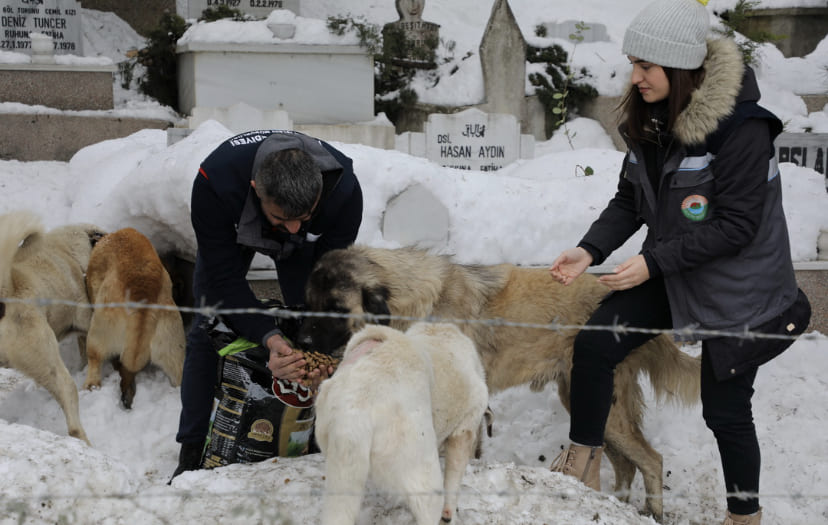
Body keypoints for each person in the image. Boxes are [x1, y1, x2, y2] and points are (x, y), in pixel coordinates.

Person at [548, 1, 811, 524]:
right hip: (678, 269)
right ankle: (584, 461)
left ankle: (744, 517)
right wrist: (591, 248)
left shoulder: (743, 129)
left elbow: (736, 226)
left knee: (726, 409)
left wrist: (650, 263)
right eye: (633, 64)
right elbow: (631, 198)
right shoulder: (649, 119)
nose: (636, 77)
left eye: (647, 66)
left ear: (682, 68)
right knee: (597, 342)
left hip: (741, 287)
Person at [170, 130, 363, 480]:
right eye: (281, 219)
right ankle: (192, 449)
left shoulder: (344, 192)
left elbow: (327, 284)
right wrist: (271, 338)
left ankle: (313, 437)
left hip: (307, 247)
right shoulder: (215, 182)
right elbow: (225, 281)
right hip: (234, 225)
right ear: (258, 188)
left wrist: (313, 345)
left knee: (312, 329)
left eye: (302, 217)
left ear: (318, 191)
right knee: (206, 326)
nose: (290, 228)